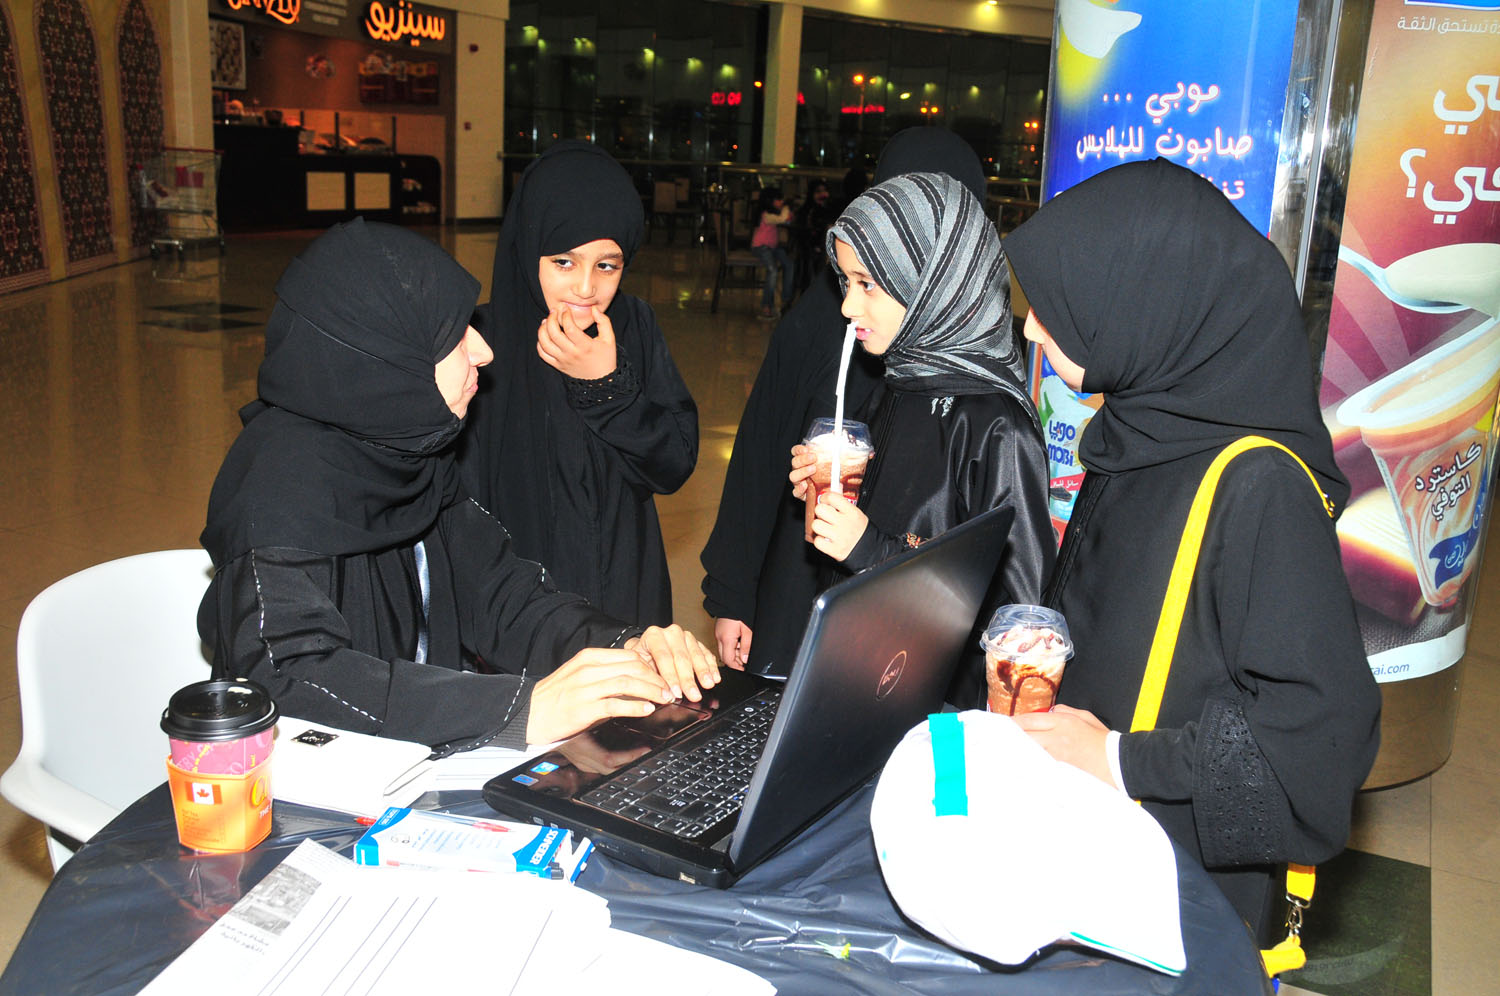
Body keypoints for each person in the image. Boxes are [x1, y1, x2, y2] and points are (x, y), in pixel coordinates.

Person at [1003, 159, 1381, 942]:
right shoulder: (1142, 428)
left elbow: (1317, 755)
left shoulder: (1261, 490)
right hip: (1083, 857)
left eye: (1058, 305)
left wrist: (1120, 761)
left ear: (1145, 304)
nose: (1032, 327)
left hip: (1174, 896)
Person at [198, 219, 722, 754]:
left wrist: (623, 647)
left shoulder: (409, 449)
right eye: (452, 336)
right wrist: (520, 708)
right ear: (384, 358)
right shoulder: (277, 493)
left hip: (423, 757)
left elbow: (501, 596)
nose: (483, 351)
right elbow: (289, 677)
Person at [701, 128, 1001, 677]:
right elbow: (759, 454)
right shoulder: (829, 318)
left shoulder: (980, 381)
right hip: (800, 588)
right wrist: (733, 594)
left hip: (915, 640)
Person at [782, 171, 1055, 681]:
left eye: (868, 284)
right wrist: (838, 490)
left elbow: (1019, 616)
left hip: (938, 703)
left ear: (932, 282)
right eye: (846, 282)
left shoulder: (995, 425)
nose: (847, 306)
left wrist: (871, 549)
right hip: (865, 671)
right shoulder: (899, 383)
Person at [457, 141, 697, 628]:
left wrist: (608, 388)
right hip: (522, 612)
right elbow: (460, 507)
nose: (587, 288)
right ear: (529, 250)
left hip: (626, 592)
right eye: (564, 262)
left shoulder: (633, 325)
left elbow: (672, 464)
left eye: (607, 265)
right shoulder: (482, 341)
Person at [750, 187, 795, 319]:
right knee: (773, 270)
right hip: (761, 247)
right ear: (770, 201)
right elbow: (783, 219)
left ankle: (786, 300)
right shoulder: (766, 215)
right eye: (778, 199)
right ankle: (767, 305)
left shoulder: (771, 214)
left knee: (789, 265)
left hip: (772, 247)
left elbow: (786, 219)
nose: (781, 202)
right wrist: (786, 207)